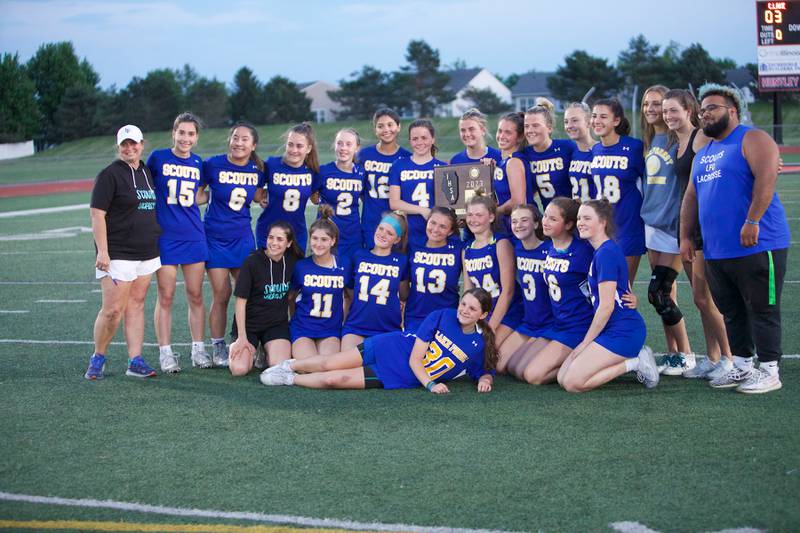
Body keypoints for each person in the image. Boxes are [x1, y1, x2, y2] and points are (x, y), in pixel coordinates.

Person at [681, 84, 790, 394]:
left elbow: (767, 177)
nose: (705, 114)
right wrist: (686, 237)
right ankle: (742, 365)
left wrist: (752, 220)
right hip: (717, 250)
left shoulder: (751, 138)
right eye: (702, 110)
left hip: (759, 242)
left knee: (763, 308)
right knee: (731, 309)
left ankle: (769, 370)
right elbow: (691, 197)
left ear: (732, 111)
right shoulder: (703, 154)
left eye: (712, 108)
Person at [260, 288, 496, 393]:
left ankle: (290, 380)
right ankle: (289, 366)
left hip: (397, 375)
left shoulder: (478, 343)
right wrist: (432, 385)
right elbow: (416, 359)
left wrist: (485, 379)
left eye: (472, 308)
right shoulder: (441, 316)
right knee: (328, 363)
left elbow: (482, 370)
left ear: (483, 315)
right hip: (390, 348)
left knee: (335, 379)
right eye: (463, 303)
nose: (464, 310)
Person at [663, 88, 732, 380]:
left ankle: (730, 359)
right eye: (665, 111)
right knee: (699, 297)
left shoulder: (699, 137)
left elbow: (726, 154)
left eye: (674, 110)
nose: (668, 116)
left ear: (689, 111)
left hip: (706, 226)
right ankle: (713, 356)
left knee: (706, 298)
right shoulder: (674, 143)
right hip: (688, 226)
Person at [557, 200, 660, 391]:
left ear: (603, 222)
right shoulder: (602, 250)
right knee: (562, 377)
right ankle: (629, 360)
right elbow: (624, 287)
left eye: (587, 218)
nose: (580, 222)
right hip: (610, 329)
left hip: (623, 331)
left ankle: (636, 362)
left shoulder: (606, 253)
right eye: (579, 218)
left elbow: (606, 307)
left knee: (572, 383)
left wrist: (584, 344)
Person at [84, 125, 161, 380]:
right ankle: (98, 357)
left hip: (147, 252)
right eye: (124, 145)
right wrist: (102, 252)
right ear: (118, 147)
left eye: (133, 143)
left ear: (142, 143)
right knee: (112, 311)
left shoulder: (147, 172)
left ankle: (135, 360)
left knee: (136, 305)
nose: (129, 148)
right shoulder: (109, 175)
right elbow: (97, 215)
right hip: (118, 253)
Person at [147, 112, 209, 373]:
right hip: (166, 237)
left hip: (194, 235)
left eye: (191, 134)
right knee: (166, 295)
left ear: (196, 137)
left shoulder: (198, 162)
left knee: (196, 295)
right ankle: (165, 352)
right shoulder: (158, 158)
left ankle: (198, 349)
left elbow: (200, 195)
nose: (185, 138)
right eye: (181, 132)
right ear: (174, 133)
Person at [638, 85, 694, 375]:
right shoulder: (649, 140)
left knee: (658, 291)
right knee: (664, 294)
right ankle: (673, 353)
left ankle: (686, 353)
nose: (651, 108)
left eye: (657, 103)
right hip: (651, 223)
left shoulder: (681, 138)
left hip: (674, 225)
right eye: (647, 103)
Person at [201, 122, 266, 368]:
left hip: (242, 238)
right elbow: (198, 193)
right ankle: (218, 345)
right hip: (215, 238)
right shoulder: (213, 164)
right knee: (222, 294)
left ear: (253, 145)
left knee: (249, 294)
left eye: (244, 139)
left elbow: (260, 195)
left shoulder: (258, 168)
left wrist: (266, 199)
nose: (239, 143)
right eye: (235, 138)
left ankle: (251, 341)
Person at [511, 198, 595, 385]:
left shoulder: (582, 251)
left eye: (553, 219)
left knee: (533, 376)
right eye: (546, 216)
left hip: (578, 325)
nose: (545, 222)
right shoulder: (550, 248)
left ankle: (589, 362)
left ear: (568, 224)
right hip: (557, 324)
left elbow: (606, 277)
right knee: (515, 368)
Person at [226, 222, 303, 377]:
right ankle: (246, 348)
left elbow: (294, 293)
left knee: (278, 366)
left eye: (280, 239)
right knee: (239, 370)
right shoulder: (252, 262)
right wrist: (241, 337)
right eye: (271, 237)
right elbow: (240, 301)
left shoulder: (293, 261)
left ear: (288, 243)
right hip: (249, 326)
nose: (274, 243)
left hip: (276, 324)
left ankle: (264, 350)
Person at [590, 98, 646, 282]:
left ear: (616, 120)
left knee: (622, 289)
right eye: (594, 116)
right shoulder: (595, 149)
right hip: (603, 228)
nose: (597, 120)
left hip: (628, 227)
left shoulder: (634, 147)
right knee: (603, 287)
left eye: (603, 116)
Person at [496, 204, 552, 374]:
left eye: (524, 220)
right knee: (498, 366)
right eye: (514, 221)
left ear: (536, 224)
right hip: (529, 323)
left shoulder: (549, 250)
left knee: (522, 369)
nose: (518, 225)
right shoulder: (516, 247)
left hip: (550, 323)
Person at [289, 206, 351, 358]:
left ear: (333, 241)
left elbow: (349, 296)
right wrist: (293, 319)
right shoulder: (301, 266)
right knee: (308, 366)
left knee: (326, 364)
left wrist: (343, 321)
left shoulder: (344, 265)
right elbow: (290, 297)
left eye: (324, 239)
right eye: (315, 239)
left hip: (330, 330)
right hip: (303, 327)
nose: (318, 244)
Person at [341, 212, 409, 348]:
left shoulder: (401, 261)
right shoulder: (359, 255)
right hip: (356, 327)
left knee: (379, 368)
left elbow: (404, 295)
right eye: (381, 229)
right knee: (345, 364)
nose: (383, 234)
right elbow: (349, 292)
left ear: (397, 240)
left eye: (390, 233)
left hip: (387, 329)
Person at [462, 192, 522, 348]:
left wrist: (490, 327)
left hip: (507, 312)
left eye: (478, 215)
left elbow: (508, 290)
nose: (473, 219)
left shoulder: (500, 244)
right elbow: (468, 291)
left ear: (491, 217)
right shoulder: (466, 249)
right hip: (482, 313)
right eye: (470, 215)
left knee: (486, 352)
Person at [255, 123, 320, 253]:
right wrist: (265, 195)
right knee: (269, 272)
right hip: (269, 231)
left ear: (308, 149)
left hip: (296, 234)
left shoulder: (312, 172)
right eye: (290, 144)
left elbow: (315, 199)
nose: (293, 150)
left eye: (299, 146)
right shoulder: (272, 164)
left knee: (292, 273)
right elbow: (257, 196)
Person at [388, 119, 447, 250]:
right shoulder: (399, 165)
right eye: (415, 139)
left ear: (433, 139)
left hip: (435, 233)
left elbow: (449, 205)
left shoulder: (442, 167)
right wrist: (423, 211)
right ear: (410, 141)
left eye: (424, 138)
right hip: (408, 233)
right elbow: (394, 203)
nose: (420, 142)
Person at [404, 206, 463, 333]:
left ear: (450, 231)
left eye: (443, 226)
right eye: (433, 223)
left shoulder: (458, 249)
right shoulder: (413, 245)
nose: (435, 229)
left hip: (447, 316)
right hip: (416, 315)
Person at [360, 108, 411, 249]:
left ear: (398, 127)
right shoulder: (364, 155)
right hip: (371, 221)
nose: (386, 129)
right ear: (375, 129)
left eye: (390, 124)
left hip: (396, 223)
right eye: (380, 126)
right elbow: (360, 189)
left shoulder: (407, 157)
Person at [316, 128, 365, 260]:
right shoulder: (323, 171)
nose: (343, 148)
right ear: (334, 145)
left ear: (357, 148)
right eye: (339, 143)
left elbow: (366, 198)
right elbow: (312, 196)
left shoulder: (361, 172)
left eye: (349, 144)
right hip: (327, 234)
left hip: (352, 235)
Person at [522, 98, 576, 209]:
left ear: (549, 128)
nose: (530, 130)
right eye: (526, 126)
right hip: (550, 219)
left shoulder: (567, 147)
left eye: (535, 125)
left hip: (575, 216)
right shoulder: (525, 155)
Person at [493, 112, 528, 234]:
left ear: (519, 137)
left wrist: (492, 212)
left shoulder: (513, 162)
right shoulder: (502, 161)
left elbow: (517, 202)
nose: (501, 136)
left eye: (508, 132)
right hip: (506, 224)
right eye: (500, 131)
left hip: (517, 226)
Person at [563, 102, 597, 201]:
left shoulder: (600, 151)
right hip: (578, 214)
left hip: (597, 213)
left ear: (589, 122)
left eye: (574, 120)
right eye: (566, 122)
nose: (569, 126)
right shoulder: (571, 152)